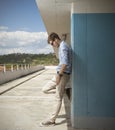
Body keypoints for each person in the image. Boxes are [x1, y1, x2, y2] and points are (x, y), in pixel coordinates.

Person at [40, 32, 72, 127]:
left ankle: (52, 120)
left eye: (51, 43)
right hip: (59, 74)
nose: (52, 46)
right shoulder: (63, 45)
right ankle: (64, 90)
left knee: (58, 98)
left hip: (62, 74)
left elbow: (65, 63)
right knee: (45, 89)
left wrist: (59, 75)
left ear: (56, 40)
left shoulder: (63, 47)